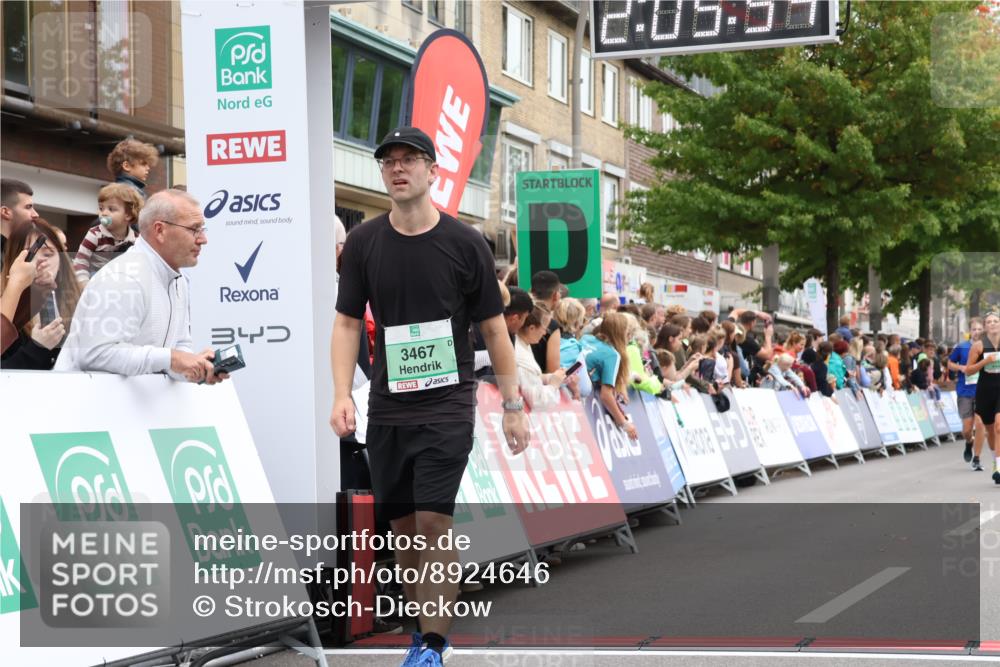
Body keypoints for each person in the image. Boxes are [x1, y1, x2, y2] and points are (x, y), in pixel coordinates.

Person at [328, 127, 529, 667]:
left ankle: (432, 645)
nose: (398, 168)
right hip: (388, 406)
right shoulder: (365, 242)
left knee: (434, 523)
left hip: (447, 405)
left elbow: (494, 330)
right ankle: (423, 633)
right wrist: (342, 393)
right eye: (388, 161)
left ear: (432, 171)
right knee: (403, 531)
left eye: (409, 159)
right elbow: (347, 323)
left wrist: (513, 407)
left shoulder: (465, 243)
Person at [54, 189, 223, 384]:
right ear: (160, 230)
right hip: (85, 400)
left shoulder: (177, 279)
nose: (203, 239)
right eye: (194, 229)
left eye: (202, 229)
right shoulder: (123, 277)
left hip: (129, 402)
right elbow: (95, 354)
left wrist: (194, 367)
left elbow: (177, 347)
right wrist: (172, 358)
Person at [1, 218, 77, 369]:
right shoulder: (7, 305)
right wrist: (37, 348)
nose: (40, 262)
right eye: (30, 255)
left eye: (48, 254)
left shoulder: (79, 299)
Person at [581, 312, 637, 440]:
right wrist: (625, 423)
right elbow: (606, 395)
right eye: (628, 333)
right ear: (620, 333)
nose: (630, 337)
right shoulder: (613, 354)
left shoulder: (586, 338)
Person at [73, 183, 142, 284]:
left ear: (128, 215)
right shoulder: (95, 234)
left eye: (111, 209)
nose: (104, 213)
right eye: (101, 208)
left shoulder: (136, 240)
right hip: (95, 278)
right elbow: (80, 260)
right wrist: (84, 283)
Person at [966, 312, 1000, 484]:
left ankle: (999, 467)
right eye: (989, 322)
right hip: (985, 391)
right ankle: (996, 459)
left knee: (999, 426)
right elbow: (968, 370)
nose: (992, 323)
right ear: (985, 326)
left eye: (996, 321)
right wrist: (984, 362)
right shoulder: (978, 346)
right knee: (991, 430)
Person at [949, 318, 987, 467]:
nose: (976, 332)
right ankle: (968, 442)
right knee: (966, 430)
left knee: (980, 424)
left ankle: (977, 458)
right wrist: (961, 368)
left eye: (979, 329)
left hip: (982, 391)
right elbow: (950, 363)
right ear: (970, 331)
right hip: (965, 391)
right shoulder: (962, 347)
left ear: (983, 331)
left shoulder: (988, 347)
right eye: (974, 329)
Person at [514, 302, 566, 409]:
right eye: (544, 328)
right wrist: (553, 385)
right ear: (532, 328)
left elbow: (530, 377)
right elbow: (537, 401)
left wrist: (551, 377)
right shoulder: (522, 358)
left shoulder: (522, 343)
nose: (545, 333)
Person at [528, 270, 562, 373]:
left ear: (531, 291)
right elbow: (553, 370)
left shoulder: (521, 316)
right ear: (555, 296)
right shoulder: (552, 326)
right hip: (537, 381)